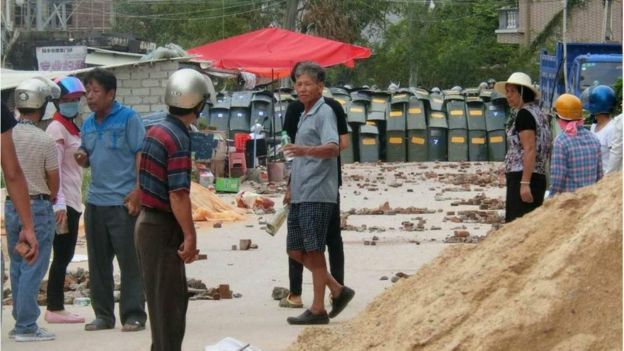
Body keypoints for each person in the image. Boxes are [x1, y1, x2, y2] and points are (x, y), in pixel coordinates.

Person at [135, 69, 206, 351]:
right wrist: (190, 236)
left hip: (148, 223)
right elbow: (178, 194)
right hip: (161, 227)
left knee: (162, 305)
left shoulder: (157, 129)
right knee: (170, 310)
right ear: (198, 104)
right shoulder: (178, 138)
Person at [282, 62, 354, 325]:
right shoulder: (303, 113)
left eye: (307, 84)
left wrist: (303, 151)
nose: (301, 89)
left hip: (317, 190)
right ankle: (336, 289)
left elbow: (334, 147)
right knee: (294, 249)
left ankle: (317, 308)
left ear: (320, 87)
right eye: (298, 84)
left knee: (314, 249)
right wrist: (290, 185)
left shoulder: (325, 112)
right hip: (301, 190)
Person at [75, 68, 147, 332]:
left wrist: (140, 190)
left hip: (123, 202)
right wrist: (82, 156)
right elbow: (88, 154)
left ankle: (134, 314)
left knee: (130, 263)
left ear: (111, 93)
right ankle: (103, 315)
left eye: (95, 91)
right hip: (95, 202)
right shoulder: (89, 124)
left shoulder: (129, 119)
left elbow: (141, 155)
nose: (90, 98)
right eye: (87, 92)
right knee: (98, 264)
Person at [5, 78, 60, 342]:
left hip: (10, 206)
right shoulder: (45, 140)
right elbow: (54, 181)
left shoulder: (8, 134)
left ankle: (20, 320)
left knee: (18, 263)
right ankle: (26, 325)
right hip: (36, 206)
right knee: (33, 264)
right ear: (42, 106)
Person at [44, 76, 87, 324]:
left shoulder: (72, 127)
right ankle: (54, 307)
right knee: (62, 254)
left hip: (73, 199)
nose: (72, 103)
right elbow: (54, 168)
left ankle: (56, 306)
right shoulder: (56, 128)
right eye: (67, 100)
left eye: (75, 99)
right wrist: (58, 202)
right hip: (63, 203)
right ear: (57, 102)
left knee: (65, 254)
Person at [494, 72, 552, 223]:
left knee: (517, 225)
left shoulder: (524, 114)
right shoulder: (539, 113)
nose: (508, 95)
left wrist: (525, 183)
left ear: (523, 93)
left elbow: (530, 148)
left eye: (512, 91)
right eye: (507, 92)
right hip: (537, 175)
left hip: (524, 176)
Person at [549, 94, 602, 195]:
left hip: (570, 203)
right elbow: (600, 176)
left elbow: (557, 178)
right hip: (590, 200)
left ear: (559, 117)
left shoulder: (561, 141)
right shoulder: (594, 138)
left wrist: (551, 199)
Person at [587, 85, 616, 174]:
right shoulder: (593, 126)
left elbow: (615, 159)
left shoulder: (612, 129)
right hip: (593, 177)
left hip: (606, 180)